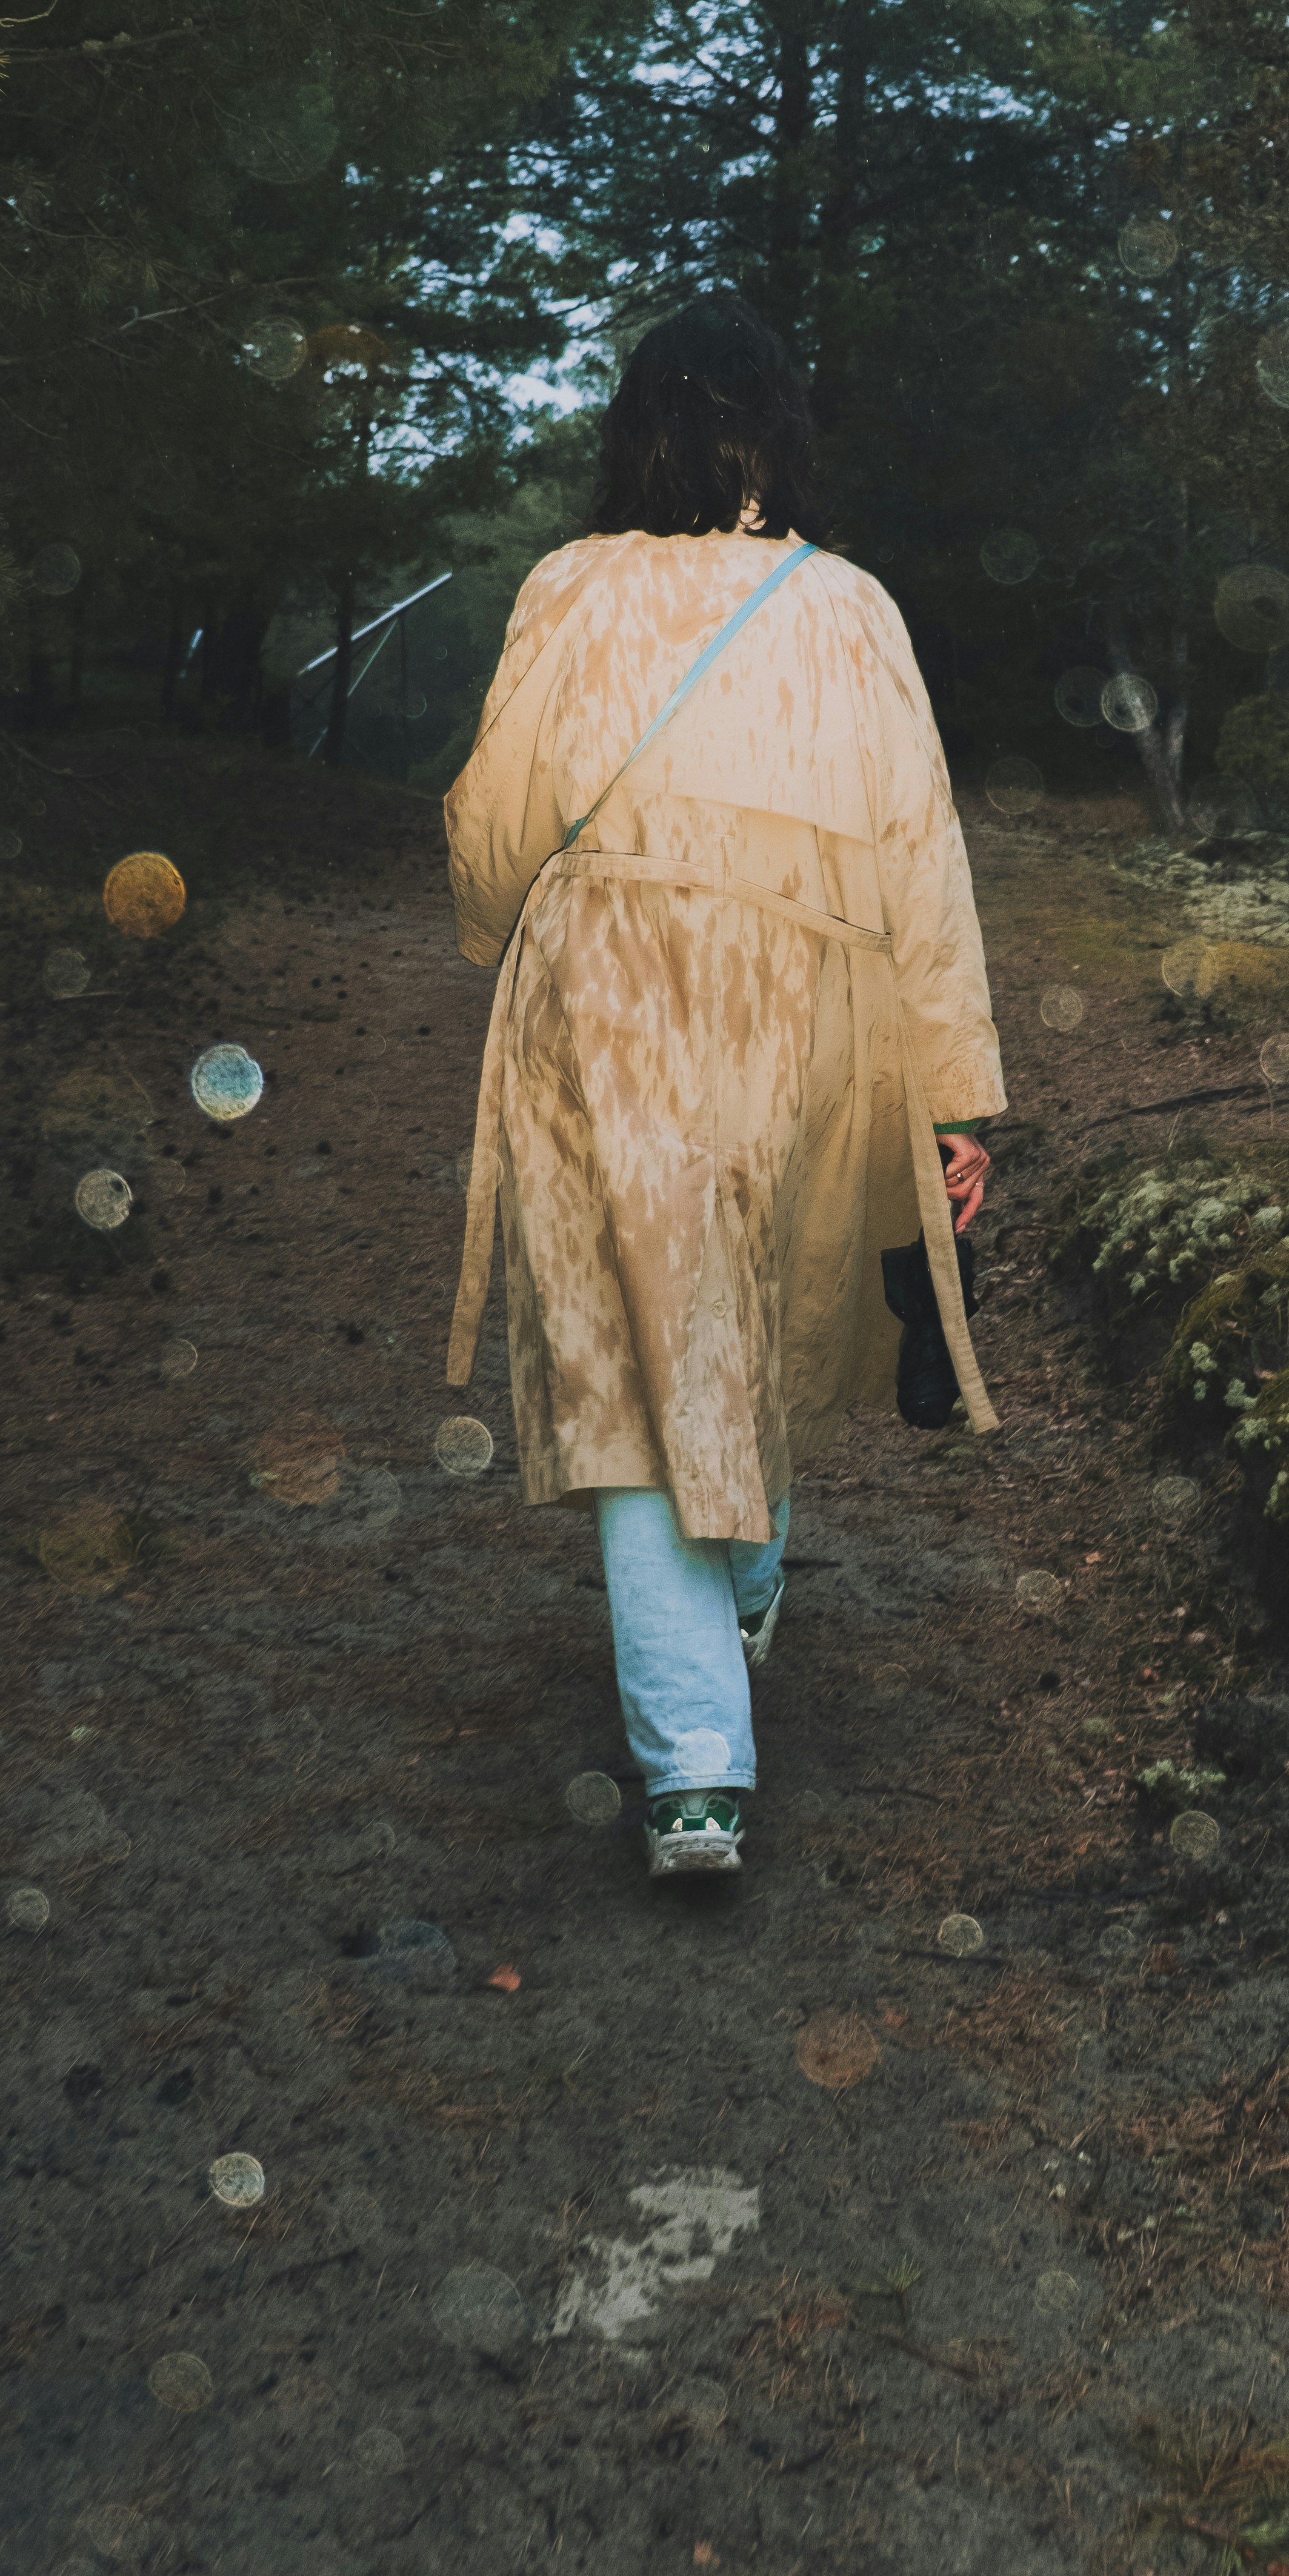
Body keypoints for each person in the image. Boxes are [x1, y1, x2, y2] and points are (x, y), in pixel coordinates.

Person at [441, 293, 1003, 1879]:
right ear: (785, 431)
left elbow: (493, 830)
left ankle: (693, 1766)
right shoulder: (847, 608)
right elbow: (923, 869)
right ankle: (733, 1616)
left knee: (633, 1348)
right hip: (800, 1004)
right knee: (731, 1301)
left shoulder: (570, 589)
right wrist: (952, 1097)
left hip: (599, 1002)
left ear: (638, 430)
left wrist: (504, 925)